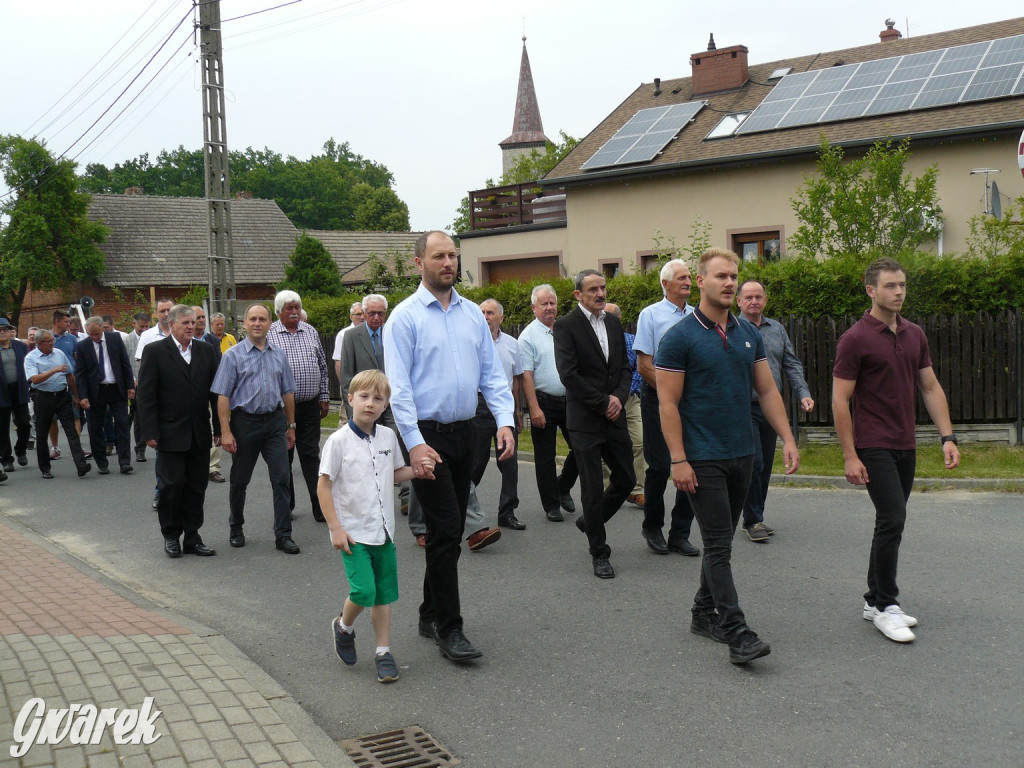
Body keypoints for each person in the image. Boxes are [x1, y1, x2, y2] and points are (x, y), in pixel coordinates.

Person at [656, 248, 799, 664]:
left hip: (743, 453)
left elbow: (767, 390)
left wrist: (787, 438)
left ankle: (703, 613)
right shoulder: (679, 337)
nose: (730, 283)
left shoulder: (746, 333)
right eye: (721, 276)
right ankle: (737, 633)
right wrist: (679, 460)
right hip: (703, 457)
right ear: (700, 281)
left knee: (721, 543)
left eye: (733, 276)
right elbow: (668, 404)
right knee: (719, 544)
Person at [383, 230, 514, 663]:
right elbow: (399, 389)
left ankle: (428, 613)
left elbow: (492, 375)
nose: (448, 263)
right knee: (444, 529)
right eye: (439, 256)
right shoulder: (404, 318)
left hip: (466, 433)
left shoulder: (472, 314)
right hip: (428, 436)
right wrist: (415, 444)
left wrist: (505, 421)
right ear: (419, 262)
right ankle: (450, 628)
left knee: (450, 531)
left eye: (453, 256)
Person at [832, 257, 960, 644]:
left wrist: (947, 437)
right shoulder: (854, 339)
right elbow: (840, 400)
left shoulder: (914, 334)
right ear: (871, 290)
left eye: (902, 285)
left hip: (906, 442)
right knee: (893, 517)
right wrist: (850, 455)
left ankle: (874, 600)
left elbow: (930, 387)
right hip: (873, 443)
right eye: (890, 285)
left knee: (889, 522)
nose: (899, 291)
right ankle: (886, 605)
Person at [320, 369, 415, 683]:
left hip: (383, 531)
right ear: (350, 399)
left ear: (386, 405)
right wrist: (335, 528)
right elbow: (324, 486)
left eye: (378, 398)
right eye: (364, 396)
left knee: (383, 595)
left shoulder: (388, 437)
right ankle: (344, 627)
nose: (370, 403)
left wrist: (417, 471)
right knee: (364, 590)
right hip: (352, 532)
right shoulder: (338, 442)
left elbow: (395, 474)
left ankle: (383, 652)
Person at [553, 269, 635, 580]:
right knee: (591, 485)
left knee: (626, 479)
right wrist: (603, 402)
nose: (600, 294)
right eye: (593, 289)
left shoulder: (612, 322)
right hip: (585, 420)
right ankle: (599, 552)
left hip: (614, 416)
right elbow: (569, 374)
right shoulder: (566, 326)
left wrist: (618, 399)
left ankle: (590, 521)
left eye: (603, 287)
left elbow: (624, 367)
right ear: (578, 295)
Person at [213, 303, 300, 554]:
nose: (257, 323)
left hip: (274, 423)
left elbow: (287, 393)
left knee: (282, 478)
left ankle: (283, 535)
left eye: (262, 319)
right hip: (245, 423)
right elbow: (223, 396)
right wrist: (226, 431)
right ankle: (236, 527)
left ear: (270, 324)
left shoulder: (279, 355)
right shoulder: (233, 356)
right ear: (245, 323)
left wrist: (290, 425)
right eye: (253, 319)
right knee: (240, 480)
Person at [136, 305, 221, 558]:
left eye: (193, 322)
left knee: (196, 487)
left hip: (199, 432)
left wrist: (220, 428)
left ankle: (193, 536)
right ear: (171, 324)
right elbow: (146, 395)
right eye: (185, 322)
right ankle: (171, 535)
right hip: (169, 432)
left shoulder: (206, 351)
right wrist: (149, 431)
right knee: (171, 487)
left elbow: (216, 393)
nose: (191, 327)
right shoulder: (155, 351)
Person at [736, 280, 815, 542]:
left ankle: (755, 516)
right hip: (743, 406)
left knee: (766, 464)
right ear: (739, 301)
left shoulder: (777, 329)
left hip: (770, 407)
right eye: (748, 297)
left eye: (758, 297)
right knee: (755, 462)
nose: (754, 301)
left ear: (766, 300)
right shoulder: (732, 329)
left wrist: (803, 393)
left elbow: (791, 364)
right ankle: (752, 520)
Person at [339, 294, 420, 544]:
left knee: (401, 442)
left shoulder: (393, 333)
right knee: (369, 449)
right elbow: (347, 377)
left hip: (392, 401)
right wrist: (354, 411)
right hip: (366, 405)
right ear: (363, 314)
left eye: (381, 313)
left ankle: (406, 495)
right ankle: (370, 494)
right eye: (372, 313)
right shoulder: (352, 337)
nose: (376, 318)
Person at [633, 259, 700, 557]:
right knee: (660, 466)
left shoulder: (698, 315)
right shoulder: (650, 315)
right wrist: (670, 394)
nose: (688, 282)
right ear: (665, 284)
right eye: (681, 277)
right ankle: (652, 527)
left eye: (689, 277)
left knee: (692, 465)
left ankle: (680, 533)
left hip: (692, 402)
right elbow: (644, 365)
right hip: (658, 399)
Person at [268, 291, 330, 523]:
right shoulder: (270, 334)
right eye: (289, 308)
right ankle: (287, 505)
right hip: (280, 409)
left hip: (309, 406)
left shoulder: (310, 331)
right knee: (283, 457)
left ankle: (320, 506)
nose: (294, 312)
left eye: (297, 307)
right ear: (278, 311)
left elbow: (322, 366)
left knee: (311, 456)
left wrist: (324, 396)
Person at [519, 284, 579, 522]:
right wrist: (533, 408)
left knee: (581, 448)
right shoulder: (528, 337)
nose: (549, 307)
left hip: (571, 401)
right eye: (544, 303)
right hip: (543, 401)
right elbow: (526, 376)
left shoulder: (565, 330)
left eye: (552, 303)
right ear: (534, 308)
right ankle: (551, 505)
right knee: (545, 457)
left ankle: (562, 487)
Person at [472, 299, 525, 532]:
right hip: (479, 405)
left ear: (501, 318)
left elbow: (516, 380)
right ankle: (463, 507)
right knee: (476, 461)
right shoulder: (471, 342)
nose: (486, 317)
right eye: (482, 312)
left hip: (505, 405)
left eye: (490, 313)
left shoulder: (512, 344)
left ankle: (507, 512)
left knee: (510, 462)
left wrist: (518, 412)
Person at [23, 329, 91, 479]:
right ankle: (45, 468)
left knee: (71, 430)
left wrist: (76, 396)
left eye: (52, 340)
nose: (52, 343)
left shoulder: (59, 353)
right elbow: (34, 379)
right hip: (43, 397)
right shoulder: (31, 358)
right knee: (42, 434)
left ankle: (81, 465)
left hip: (62, 395)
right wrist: (54, 370)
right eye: (49, 341)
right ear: (40, 343)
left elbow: (70, 375)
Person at [76, 317, 135, 475]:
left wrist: (130, 385)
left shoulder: (114, 339)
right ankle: (102, 463)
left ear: (103, 328)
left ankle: (125, 462)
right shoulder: (82, 346)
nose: (94, 337)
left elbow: (125, 363)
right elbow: (80, 373)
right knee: (95, 428)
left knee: (122, 424)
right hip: (96, 391)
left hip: (116, 388)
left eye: (97, 333)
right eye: (91, 334)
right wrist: (83, 396)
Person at [603, 303, 646, 510]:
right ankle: (610, 489)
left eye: (607, 316)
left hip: (629, 399)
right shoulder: (597, 341)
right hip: (605, 401)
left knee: (638, 442)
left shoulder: (631, 341)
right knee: (605, 445)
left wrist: (627, 392)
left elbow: (639, 368)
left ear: (618, 320)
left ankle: (636, 490)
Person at [191, 306, 226, 484]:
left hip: (210, 390)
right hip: (191, 394)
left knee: (215, 427)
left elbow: (218, 365)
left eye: (203, 317)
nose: (201, 320)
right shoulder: (185, 340)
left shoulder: (212, 340)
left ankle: (213, 468)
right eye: (197, 317)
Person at [0, 318, 31, 473]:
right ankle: (6, 459)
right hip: (1, 392)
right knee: (2, 428)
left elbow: (28, 366)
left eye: (4, 329)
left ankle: (21, 449)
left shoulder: (20, 346)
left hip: (19, 390)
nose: (2, 332)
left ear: (10, 331)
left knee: (24, 422)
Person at [123, 312, 151, 463]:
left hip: (151, 383)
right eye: (141, 326)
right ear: (134, 324)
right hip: (135, 384)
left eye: (147, 326)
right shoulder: (127, 341)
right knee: (138, 418)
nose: (144, 329)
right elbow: (125, 363)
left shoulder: (151, 339)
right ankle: (140, 449)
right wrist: (132, 380)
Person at [332, 302, 366, 382]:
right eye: (358, 314)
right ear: (351, 317)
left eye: (364, 314)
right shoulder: (343, 334)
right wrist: (344, 385)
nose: (362, 317)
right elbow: (338, 362)